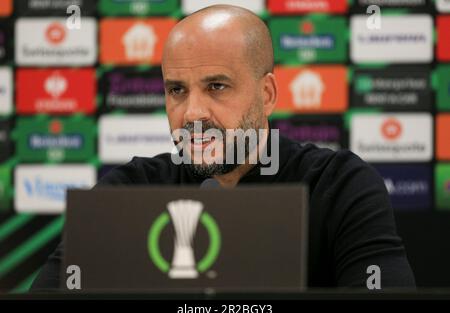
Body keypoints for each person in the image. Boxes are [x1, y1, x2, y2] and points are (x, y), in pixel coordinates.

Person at [31, 4, 415, 290]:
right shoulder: (129, 191)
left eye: (217, 86)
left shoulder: (340, 186)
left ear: (267, 94)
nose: (192, 113)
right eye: (176, 90)